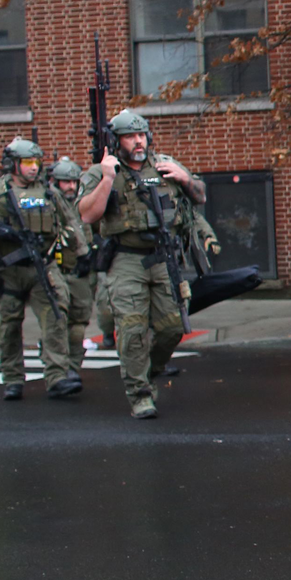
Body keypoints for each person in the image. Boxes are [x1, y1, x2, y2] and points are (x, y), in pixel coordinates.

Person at [76, 109, 205, 420]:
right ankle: (140, 395)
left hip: (163, 257)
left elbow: (199, 196)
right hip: (126, 260)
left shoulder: (163, 164)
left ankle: (149, 369)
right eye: (130, 136)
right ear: (116, 141)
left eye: (141, 135)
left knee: (174, 326)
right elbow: (87, 215)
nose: (138, 141)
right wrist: (107, 177)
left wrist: (185, 178)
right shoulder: (102, 171)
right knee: (132, 330)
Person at [0, 138, 81, 402]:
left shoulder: (49, 192)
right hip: (8, 270)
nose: (33, 168)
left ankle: (57, 376)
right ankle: (13, 378)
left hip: (43, 266)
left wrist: (82, 252)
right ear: (12, 164)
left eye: (36, 162)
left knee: (56, 318)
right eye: (27, 162)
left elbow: (70, 221)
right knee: (8, 325)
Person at [48, 157, 98, 379]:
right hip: (54, 271)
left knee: (78, 325)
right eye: (64, 182)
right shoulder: (47, 204)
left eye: (73, 182)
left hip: (80, 273)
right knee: (56, 324)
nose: (70, 187)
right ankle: (57, 370)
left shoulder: (84, 202)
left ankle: (72, 368)